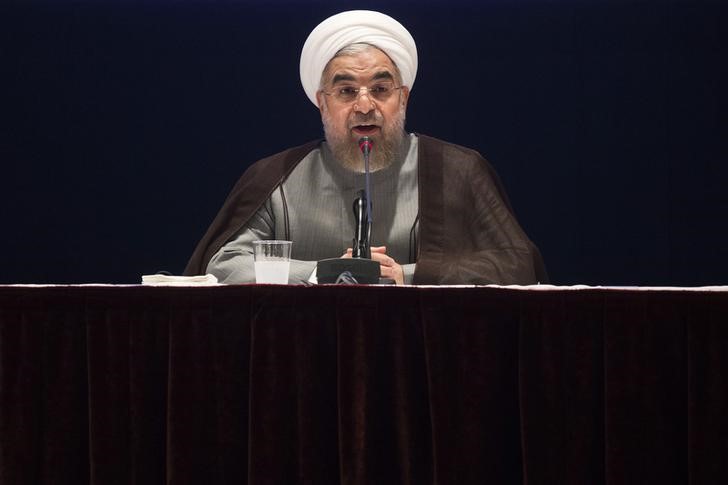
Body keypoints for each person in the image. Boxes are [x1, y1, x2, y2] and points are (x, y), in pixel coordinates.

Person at [184, 10, 547, 285]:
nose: (364, 105)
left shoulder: (457, 169)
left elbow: (517, 263)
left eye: (380, 89)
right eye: (345, 91)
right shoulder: (277, 176)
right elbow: (224, 264)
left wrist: (406, 273)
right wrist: (324, 272)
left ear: (402, 98)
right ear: (322, 103)